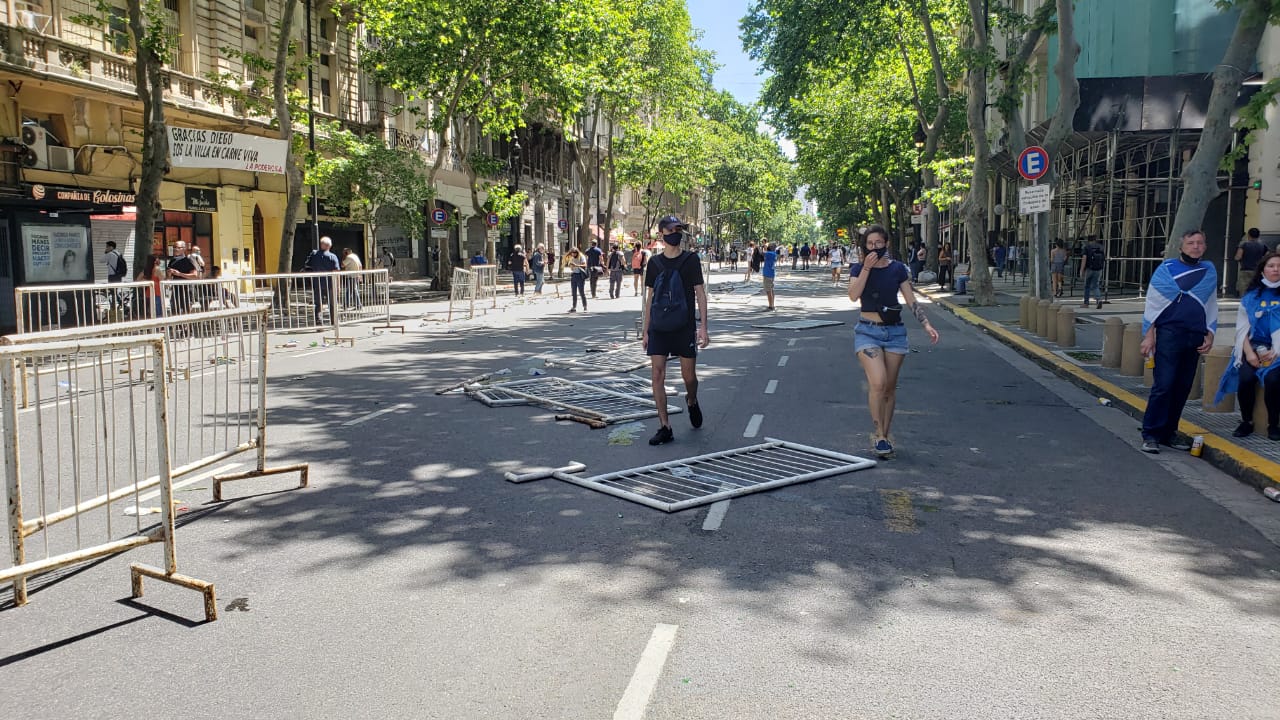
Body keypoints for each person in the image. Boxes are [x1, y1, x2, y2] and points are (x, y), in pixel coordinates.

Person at [848, 225, 940, 458]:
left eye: (878, 243)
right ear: (864, 246)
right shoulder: (858, 268)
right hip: (867, 332)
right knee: (877, 383)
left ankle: (885, 436)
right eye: (870, 244)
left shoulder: (898, 269)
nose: (874, 247)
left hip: (895, 333)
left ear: (886, 244)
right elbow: (853, 295)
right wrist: (867, 268)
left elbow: (911, 300)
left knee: (889, 387)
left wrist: (926, 324)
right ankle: (878, 434)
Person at [1139, 229, 1218, 453]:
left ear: (1205, 246)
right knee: (1164, 385)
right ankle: (1151, 434)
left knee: (1182, 387)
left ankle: (1168, 433)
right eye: (1191, 243)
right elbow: (1153, 304)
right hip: (1169, 334)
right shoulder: (1166, 270)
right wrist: (1148, 335)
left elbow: (1211, 304)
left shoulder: (1209, 270)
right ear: (1181, 247)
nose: (1195, 246)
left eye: (1200, 243)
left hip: (1194, 335)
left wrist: (1210, 332)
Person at [643, 215, 709, 445]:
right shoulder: (653, 263)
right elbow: (649, 298)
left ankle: (691, 400)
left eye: (679, 228)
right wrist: (645, 330)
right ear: (661, 233)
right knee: (657, 375)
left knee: (688, 377)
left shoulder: (691, 260)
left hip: (684, 326)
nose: (677, 232)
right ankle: (665, 426)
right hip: (659, 328)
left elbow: (700, 293)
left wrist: (703, 328)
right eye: (672, 229)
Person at [1216, 252, 1280, 439]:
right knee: (1245, 378)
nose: (1276, 269)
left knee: (1274, 381)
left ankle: (1273, 424)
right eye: (1271, 266)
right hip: (1253, 347)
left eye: (1279, 266)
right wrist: (1250, 354)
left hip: (1277, 351)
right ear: (1262, 270)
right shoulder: (1250, 297)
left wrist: (1276, 351)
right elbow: (1242, 330)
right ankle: (1246, 422)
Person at [302, 236, 340, 324]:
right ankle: (334, 321)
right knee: (332, 303)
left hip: (317, 282)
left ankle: (319, 322)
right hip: (330, 283)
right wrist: (338, 286)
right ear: (329, 246)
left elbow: (307, 265)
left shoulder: (314, 255)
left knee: (318, 303)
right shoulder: (333, 257)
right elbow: (336, 272)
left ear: (321, 244)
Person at [167, 241, 200, 314]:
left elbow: (195, 275)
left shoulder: (188, 260)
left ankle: (187, 325)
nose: (175, 249)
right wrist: (169, 274)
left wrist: (180, 274)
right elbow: (168, 278)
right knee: (174, 311)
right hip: (176, 290)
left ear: (184, 249)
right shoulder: (172, 261)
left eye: (178, 248)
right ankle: (177, 325)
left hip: (187, 290)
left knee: (186, 312)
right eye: (174, 247)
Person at [1235, 227, 1266, 297]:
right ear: (1258, 235)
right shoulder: (1262, 246)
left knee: (1243, 288)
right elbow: (1267, 256)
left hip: (1245, 270)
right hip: (1257, 270)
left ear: (1248, 235)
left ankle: (1244, 303)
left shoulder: (1244, 245)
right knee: (1256, 288)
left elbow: (1238, 257)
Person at [1080, 237, 1106, 309]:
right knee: (1095, 285)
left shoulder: (1087, 247)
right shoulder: (1101, 247)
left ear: (1088, 240)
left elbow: (1084, 258)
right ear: (1095, 240)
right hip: (1098, 269)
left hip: (1089, 269)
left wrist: (1081, 270)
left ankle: (1086, 303)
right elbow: (1104, 258)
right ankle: (1098, 299)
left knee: (1087, 286)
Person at [565, 246, 588, 312]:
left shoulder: (581, 256)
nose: (573, 254)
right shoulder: (572, 257)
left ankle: (585, 306)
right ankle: (574, 307)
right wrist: (571, 266)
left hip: (580, 276)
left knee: (581, 292)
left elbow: (584, 265)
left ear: (577, 252)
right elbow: (572, 266)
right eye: (572, 253)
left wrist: (576, 265)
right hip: (574, 275)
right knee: (574, 292)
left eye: (574, 253)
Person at [761, 241, 778, 311]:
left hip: (767, 274)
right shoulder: (773, 253)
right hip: (771, 273)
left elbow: (762, 253)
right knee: (771, 290)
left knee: (768, 291)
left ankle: (771, 306)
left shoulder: (769, 253)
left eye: (769, 245)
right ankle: (772, 304)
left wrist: (763, 246)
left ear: (771, 247)